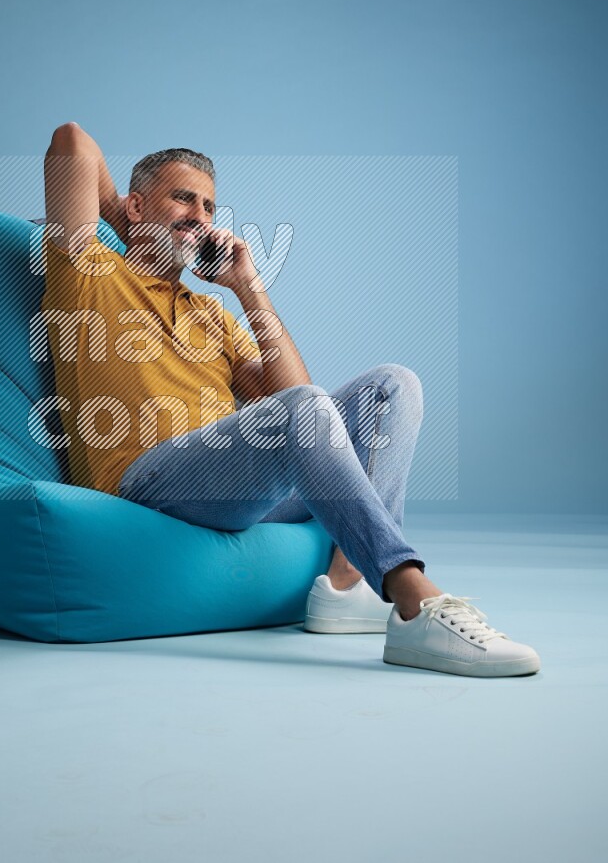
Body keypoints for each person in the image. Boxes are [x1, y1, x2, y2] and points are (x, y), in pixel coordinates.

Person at [40, 121, 540, 678]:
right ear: (135, 207)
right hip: (146, 484)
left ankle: (347, 585)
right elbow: (71, 141)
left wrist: (248, 288)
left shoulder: (213, 315)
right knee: (303, 407)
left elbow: (300, 397)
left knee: (392, 386)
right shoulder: (89, 271)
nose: (201, 217)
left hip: (228, 486)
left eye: (209, 208)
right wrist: (130, 221)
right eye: (184, 198)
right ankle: (411, 594)